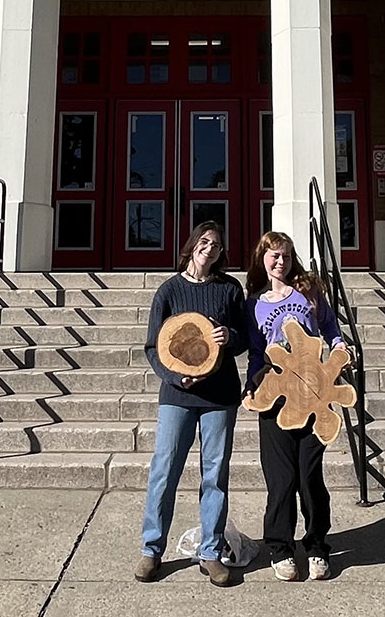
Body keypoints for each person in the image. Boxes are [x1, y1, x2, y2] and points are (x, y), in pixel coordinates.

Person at [136, 221, 247, 588]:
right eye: (205, 242)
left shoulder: (230, 289)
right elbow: (154, 346)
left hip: (220, 396)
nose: (211, 248)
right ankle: (152, 550)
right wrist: (172, 378)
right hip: (178, 396)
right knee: (164, 470)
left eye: (217, 244)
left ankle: (211, 552)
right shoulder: (169, 290)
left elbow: (246, 339)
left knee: (214, 475)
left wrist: (229, 336)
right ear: (192, 245)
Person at [243, 231, 348, 582]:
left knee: (309, 476)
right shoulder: (254, 303)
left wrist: (339, 350)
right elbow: (256, 352)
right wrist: (252, 384)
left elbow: (332, 328)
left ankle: (317, 546)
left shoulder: (309, 291)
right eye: (273, 255)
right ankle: (281, 548)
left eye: (286, 255)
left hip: (315, 396)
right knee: (281, 478)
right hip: (276, 396)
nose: (280, 262)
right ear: (262, 258)